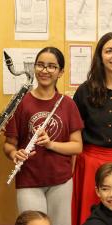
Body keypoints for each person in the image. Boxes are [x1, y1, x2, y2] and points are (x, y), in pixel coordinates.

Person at [3, 46, 83, 225]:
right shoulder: (21, 103)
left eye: (52, 66)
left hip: (61, 180)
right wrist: (14, 154)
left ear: (60, 72)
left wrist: (50, 144)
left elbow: (77, 146)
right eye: (40, 65)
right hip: (29, 180)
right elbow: (8, 144)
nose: (45, 70)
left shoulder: (68, 104)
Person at [72, 32, 112, 225]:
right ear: (100, 55)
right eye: (109, 51)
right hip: (90, 163)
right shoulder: (84, 91)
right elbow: (74, 132)